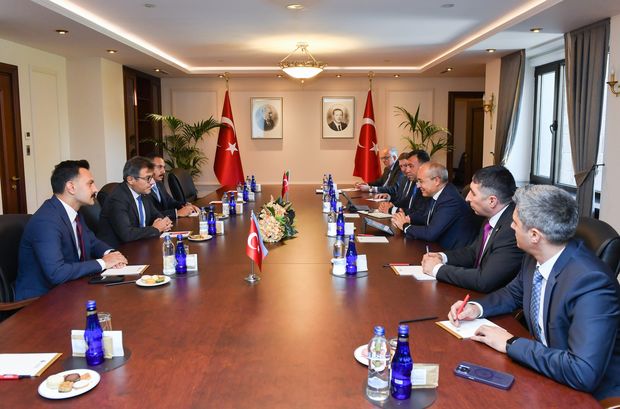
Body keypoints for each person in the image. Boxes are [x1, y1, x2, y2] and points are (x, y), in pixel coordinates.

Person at [448, 185, 620, 400]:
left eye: (515, 222)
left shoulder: (592, 282)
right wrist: (476, 308)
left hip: (589, 394)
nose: (510, 226)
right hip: (543, 368)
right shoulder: (535, 256)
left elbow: (582, 371)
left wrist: (510, 343)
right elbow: (513, 293)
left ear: (535, 235)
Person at [15, 160, 127, 300]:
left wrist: (112, 254)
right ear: (71, 187)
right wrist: (103, 262)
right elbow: (57, 273)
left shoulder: (75, 212)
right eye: (90, 183)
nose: (95, 189)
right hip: (40, 301)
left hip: (70, 289)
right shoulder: (46, 221)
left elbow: (92, 242)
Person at [421, 165, 524, 292]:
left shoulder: (512, 229)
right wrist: (442, 257)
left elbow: (484, 280)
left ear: (492, 201)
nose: (467, 198)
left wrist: (437, 269)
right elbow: (473, 252)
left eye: (473, 193)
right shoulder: (492, 217)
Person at [392, 162, 477, 250]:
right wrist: (409, 218)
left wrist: (405, 226)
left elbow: (431, 234)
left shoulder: (450, 199)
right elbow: (428, 217)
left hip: (453, 252)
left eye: (421, 181)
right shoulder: (439, 193)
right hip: (438, 247)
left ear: (436, 180)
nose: (418, 186)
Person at [97, 156, 173, 248]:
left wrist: (164, 222)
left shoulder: (143, 193)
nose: (152, 182)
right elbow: (127, 234)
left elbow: (156, 214)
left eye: (152, 177)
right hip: (119, 250)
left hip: (139, 245)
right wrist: (155, 229)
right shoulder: (117, 198)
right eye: (148, 178)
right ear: (131, 179)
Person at [377, 150, 430, 216]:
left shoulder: (428, 186)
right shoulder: (412, 180)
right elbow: (406, 200)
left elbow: (420, 214)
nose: (406, 170)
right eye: (401, 166)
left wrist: (392, 210)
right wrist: (391, 205)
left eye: (411, 166)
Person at [147, 154, 200, 220]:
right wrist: (176, 213)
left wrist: (186, 205)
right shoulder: (144, 189)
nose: (163, 171)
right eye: (159, 167)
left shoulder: (159, 183)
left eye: (164, 167)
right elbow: (152, 215)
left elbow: (170, 202)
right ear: (148, 168)